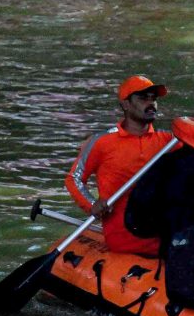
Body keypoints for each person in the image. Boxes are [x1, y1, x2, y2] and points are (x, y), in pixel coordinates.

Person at [66, 75, 173, 256]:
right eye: (143, 98)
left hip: (165, 235)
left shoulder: (169, 140)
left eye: (153, 98)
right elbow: (74, 178)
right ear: (125, 104)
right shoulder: (102, 141)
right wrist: (92, 204)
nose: (151, 103)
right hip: (124, 238)